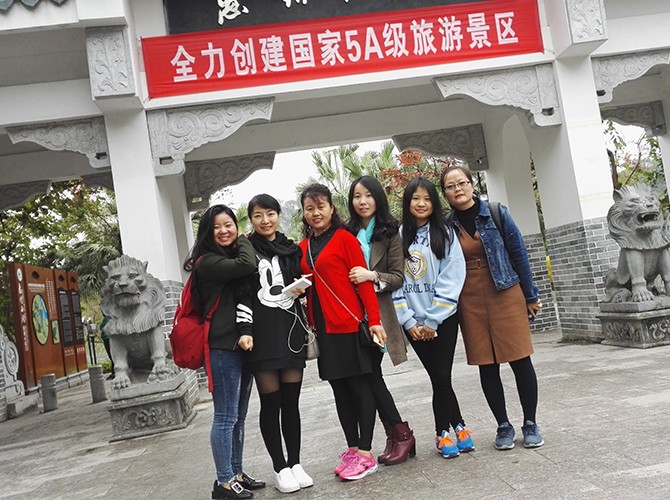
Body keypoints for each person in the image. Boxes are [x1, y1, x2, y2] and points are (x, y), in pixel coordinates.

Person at [441, 166, 544, 450]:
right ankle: (503, 425)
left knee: (520, 359)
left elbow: (519, 254)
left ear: (471, 184)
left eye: (462, 182)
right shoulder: (446, 225)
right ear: (445, 193)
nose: (458, 189)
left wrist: (530, 296)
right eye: (450, 186)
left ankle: (531, 423)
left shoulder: (496, 213)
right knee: (487, 365)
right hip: (469, 299)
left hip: (506, 291)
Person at [297, 183, 387, 481]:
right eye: (309, 208)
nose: (315, 213)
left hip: (349, 324)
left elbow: (364, 283)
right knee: (339, 390)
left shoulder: (344, 238)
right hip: (323, 328)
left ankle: (366, 453)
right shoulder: (303, 248)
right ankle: (352, 448)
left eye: (320, 206)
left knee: (360, 387)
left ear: (332, 208)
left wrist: (374, 321)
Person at [183, 204, 266, 500]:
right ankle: (223, 482)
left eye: (229, 224)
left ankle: (236, 473)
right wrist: (243, 237)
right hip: (222, 347)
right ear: (208, 232)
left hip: (241, 345)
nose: (224, 230)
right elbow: (247, 264)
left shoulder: (224, 259)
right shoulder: (207, 262)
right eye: (217, 226)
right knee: (225, 417)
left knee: (238, 416)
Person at [392, 177, 475, 459]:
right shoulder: (398, 236)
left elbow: (452, 277)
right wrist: (408, 321)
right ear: (407, 202)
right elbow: (396, 282)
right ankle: (459, 424)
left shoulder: (446, 233)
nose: (421, 204)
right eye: (416, 198)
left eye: (427, 199)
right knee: (439, 377)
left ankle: (443, 433)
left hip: (443, 319)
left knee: (441, 375)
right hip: (413, 324)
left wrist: (432, 320)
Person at [245, 194, 313, 494]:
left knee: (291, 403)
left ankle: (295, 463)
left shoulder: (291, 249)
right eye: (258, 215)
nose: (265, 221)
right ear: (251, 219)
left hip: (290, 333)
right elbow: (242, 293)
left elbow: (302, 280)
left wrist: (301, 289)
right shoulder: (245, 251)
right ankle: (279, 467)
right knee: (270, 403)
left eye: (270, 214)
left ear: (278, 216)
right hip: (261, 336)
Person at [346, 176, 415, 465]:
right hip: (352, 316)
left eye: (368, 195)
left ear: (378, 198)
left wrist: (370, 276)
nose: (362, 201)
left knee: (371, 376)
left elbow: (398, 277)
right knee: (369, 377)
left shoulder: (390, 233)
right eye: (356, 196)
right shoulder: (346, 232)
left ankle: (401, 434)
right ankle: (396, 435)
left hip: (379, 315)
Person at [99, 315, 115, 380]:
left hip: (107, 338)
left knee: (112, 356)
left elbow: (101, 327)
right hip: (112, 338)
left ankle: (114, 373)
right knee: (113, 356)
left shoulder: (107, 318)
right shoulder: (114, 317)